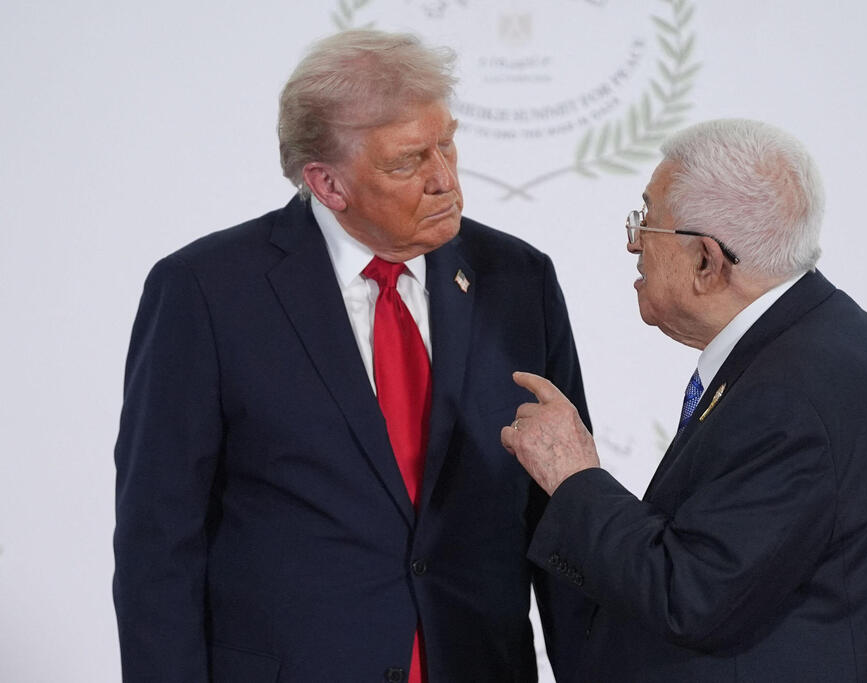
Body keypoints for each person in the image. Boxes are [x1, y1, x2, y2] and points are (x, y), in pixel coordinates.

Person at [113, 30, 589, 682]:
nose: (445, 179)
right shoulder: (206, 292)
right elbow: (158, 544)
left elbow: (561, 511)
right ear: (327, 182)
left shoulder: (519, 280)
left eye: (447, 143)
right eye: (408, 161)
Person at [501, 119, 867, 681]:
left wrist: (574, 477)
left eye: (646, 221)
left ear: (705, 261)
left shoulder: (792, 392)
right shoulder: (816, 340)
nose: (632, 242)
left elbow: (692, 595)